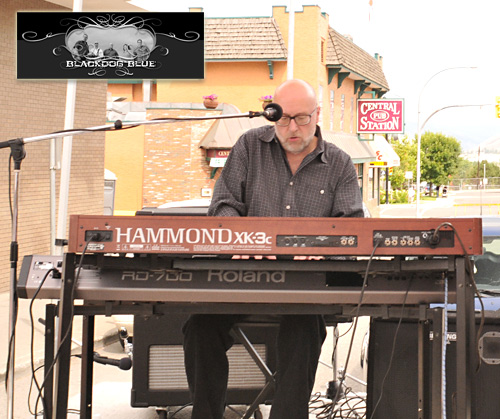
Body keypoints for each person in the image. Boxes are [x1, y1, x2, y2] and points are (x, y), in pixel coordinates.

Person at [182, 79, 364, 419]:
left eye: (301, 118)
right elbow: (222, 205)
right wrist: (243, 239)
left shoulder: (339, 163)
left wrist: (321, 249)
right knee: (200, 325)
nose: (292, 128)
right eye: (282, 118)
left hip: (306, 285)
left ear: (317, 115)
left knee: (304, 330)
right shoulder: (249, 146)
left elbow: (351, 229)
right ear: (271, 114)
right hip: (245, 275)